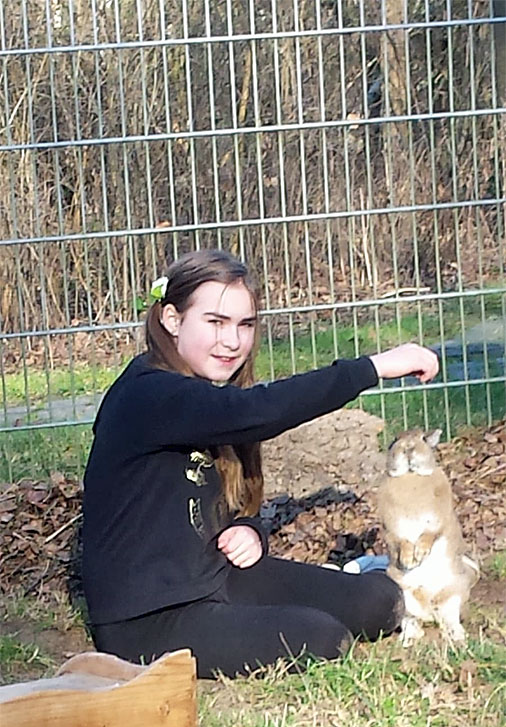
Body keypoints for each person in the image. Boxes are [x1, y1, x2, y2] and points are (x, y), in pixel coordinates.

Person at [82, 248, 439, 678]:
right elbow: (259, 410)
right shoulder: (148, 394)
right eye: (215, 322)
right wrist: (372, 368)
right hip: (148, 619)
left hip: (217, 579)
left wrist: (250, 529)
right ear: (172, 320)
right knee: (322, 638)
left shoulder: (204, 393)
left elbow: (222, 500)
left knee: (379, 604)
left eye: (245, 325)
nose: (232, 341)